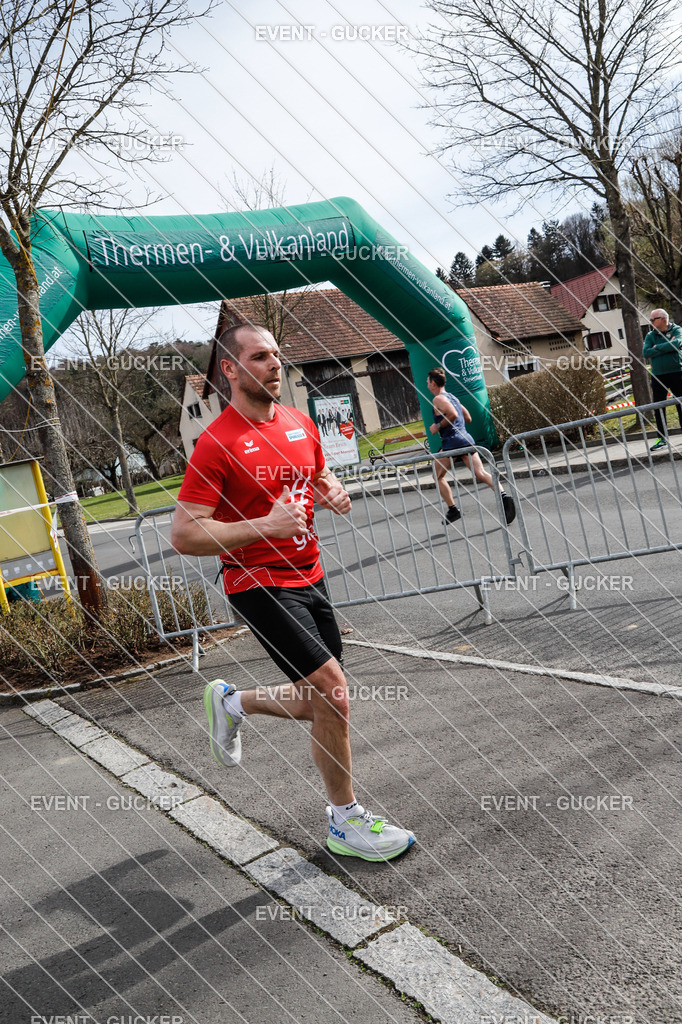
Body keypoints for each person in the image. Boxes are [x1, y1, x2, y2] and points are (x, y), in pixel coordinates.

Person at [171, 324, 415, 862]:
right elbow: (186, 534)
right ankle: (345, 822)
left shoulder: (301, 424)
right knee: (334, 688)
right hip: (256, 582)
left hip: (312, 578)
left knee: (323, 703)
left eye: (277, 355)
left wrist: (333, 492)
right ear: (230, 370)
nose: (275, 364)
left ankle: (233, 702)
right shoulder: (217, 445)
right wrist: (265, 527)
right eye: (259, 357)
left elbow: (318, 477)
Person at [426, 367, 516, 525]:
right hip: (466, 438)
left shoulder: (438, 399)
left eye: (428, 382)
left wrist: (438, 426)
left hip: (452, 442)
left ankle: (453, 509)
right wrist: (455, 423)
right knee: (480, 473)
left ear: (433, 383)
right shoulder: (453, 397)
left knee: (437, 476)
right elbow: (466, 417)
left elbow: (453, 414)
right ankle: (504, 497)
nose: (427, 385)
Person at [642, 309, 682, 450]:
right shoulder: (650, 335)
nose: (651, 322)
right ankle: (662, 438)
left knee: (681, 404)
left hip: (678, 372)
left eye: (653, 319)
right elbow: (646, 352)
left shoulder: (677, 330)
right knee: (658, 406)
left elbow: (676, 344)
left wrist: (657, 347)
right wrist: (667, 346)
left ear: (663, 319)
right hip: (658, 375)